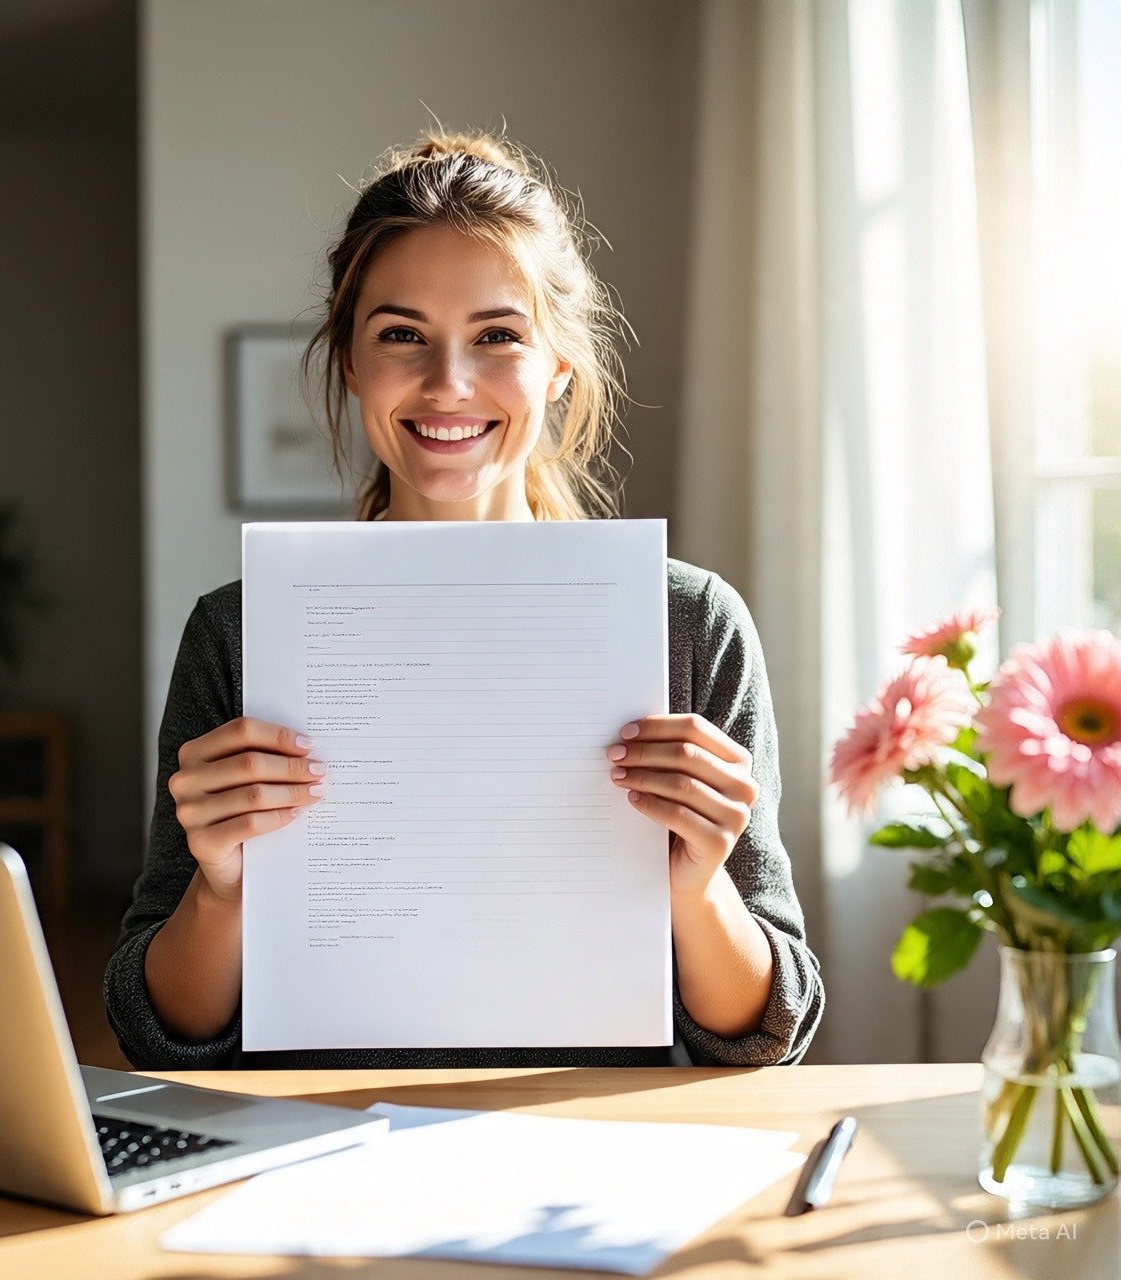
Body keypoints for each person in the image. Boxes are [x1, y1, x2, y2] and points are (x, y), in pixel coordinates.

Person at [105, 129, 824, 1070]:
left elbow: (763, 1036)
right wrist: (223, 888)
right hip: (313, 1150)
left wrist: (697, 890)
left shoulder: (688, 625)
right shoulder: (240, 634)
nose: (448, 383)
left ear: (557, 365)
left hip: (588, 1151)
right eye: (402, 335)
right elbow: (159, 1031)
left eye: (498, 336)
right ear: (350, 362)